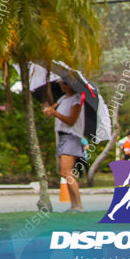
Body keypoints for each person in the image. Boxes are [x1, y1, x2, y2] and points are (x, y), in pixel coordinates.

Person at [42, 80, 85, 213]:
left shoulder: (76, 99)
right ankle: (73, 205)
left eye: (66, 83)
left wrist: (55, 114)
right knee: (64, 173)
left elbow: (71, 120)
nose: (63, 86)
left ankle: (78, 205)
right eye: (62, 83)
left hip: (70, 136)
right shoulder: (62, 99)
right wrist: (48, 111)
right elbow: (53, 111)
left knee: (67, 172)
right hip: (61, 137)